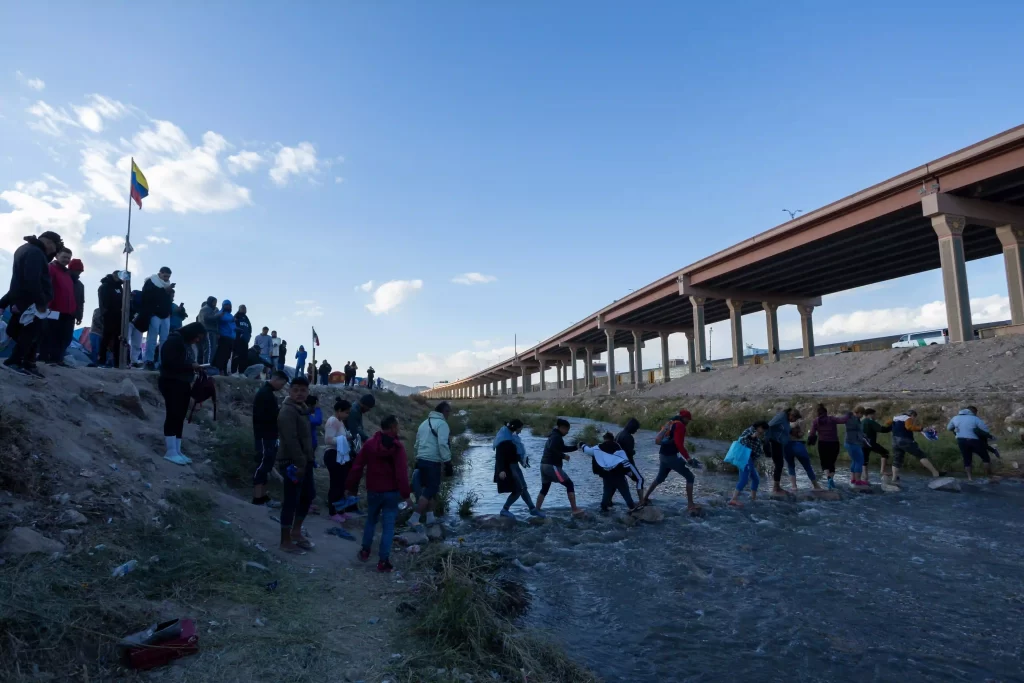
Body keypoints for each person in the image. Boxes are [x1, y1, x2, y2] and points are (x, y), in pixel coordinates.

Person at [345, 414, 411, 573]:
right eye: (397, 426)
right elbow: (402, 474)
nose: (398, 429)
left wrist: (349, 487)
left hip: (373, 491)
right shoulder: (398, 448)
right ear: (393, 427)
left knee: (371, 521)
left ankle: (365, 551)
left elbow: (357, 467)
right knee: (388, 527)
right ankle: (383, 561)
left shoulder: (369, 444)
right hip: (391, 493)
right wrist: (406, 495)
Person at [2, 231, 61, 377]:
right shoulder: (36, 252)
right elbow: (32, 279)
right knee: (31, 332)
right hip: (31, 302)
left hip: (22, 299)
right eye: (54, 247)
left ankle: (29, 362)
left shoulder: (25, 249)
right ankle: (15, 361)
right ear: (49, 242)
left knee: (29, 332)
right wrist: (40, 301)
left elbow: (18, 278)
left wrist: (4, 302)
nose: (53, 252)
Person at [158, 322, 207, 466]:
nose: (197, 340)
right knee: (173, 415)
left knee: (180, 417)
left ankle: (177, 450)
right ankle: (170, 451)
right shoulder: (174, 341)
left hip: (184, 382)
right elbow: (169, 363)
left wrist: (195, 367)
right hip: (171, 382)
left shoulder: (186, 344)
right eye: (197, 337)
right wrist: (190, 366)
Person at [277, 376, 315, 553]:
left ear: (308, 392)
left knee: (308, 495)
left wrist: (308, 459)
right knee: (291, 501)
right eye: (296, 390)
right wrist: (300, 463)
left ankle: (296, 531)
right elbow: (290, 440)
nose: (299, 393)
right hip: (291, 462)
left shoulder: (303, 409)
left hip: (305, 461)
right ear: (289, 391)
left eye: (303, 390)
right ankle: (285, 541)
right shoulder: (287, 412)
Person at [641, 409, 701, 511]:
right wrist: (688, 458)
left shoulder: (671, 423)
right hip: (671, 457)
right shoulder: (680, 426)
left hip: (662, 455)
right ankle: (691, 505)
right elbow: (679, 444)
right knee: (690, 477)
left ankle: (645, 498)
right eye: (688, 419)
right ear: (684, 418)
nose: (688, 421)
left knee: (660, 478)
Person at [412, 401, 453, 529]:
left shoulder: (424, 423)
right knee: (431, 489)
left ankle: (430, 518)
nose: (449, 414)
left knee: (429, 490)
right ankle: (414, 518)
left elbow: (417, 444)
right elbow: (442, 444)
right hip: (433, 461)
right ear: (443, 411)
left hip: (421, 460)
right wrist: (448, 462)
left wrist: (417, 458)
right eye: (448, 411)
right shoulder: (442, 424)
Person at [252, 371, 289, 506]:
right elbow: (266, 417)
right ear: (276, 379)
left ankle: (263, 496)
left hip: (269, 435)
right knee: (262, 465)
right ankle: (257, 498)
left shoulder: (268, 393)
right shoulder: (265, 394)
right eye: (282, 384)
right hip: (264, 436)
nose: (281, 387)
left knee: (267, 465)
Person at [494, 419, 544, 518]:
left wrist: (523, 460)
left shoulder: (511, 437)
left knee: (524, 488)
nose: (520, 431)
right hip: (508, 468)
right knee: (518, 489)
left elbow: (515, 453)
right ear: (515, 428)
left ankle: (532, 509)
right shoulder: (503, 439)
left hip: (515, 466)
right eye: (520, 429)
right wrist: (501, 470)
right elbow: (499, 456)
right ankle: (505, 509)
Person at [582, 432, 643, 512]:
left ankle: (604, 509)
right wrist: (628, 472)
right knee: (625, 493)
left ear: (604, 439)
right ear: (613, 439)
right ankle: (632, 507)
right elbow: (625, 461)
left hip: (606, 475)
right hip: (619, 475)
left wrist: (582, 445)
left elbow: (587, 450)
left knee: (606, 493)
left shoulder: (598, 448)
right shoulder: (618, 447)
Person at [536, 418, 583, 514]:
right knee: (569, 484)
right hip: (551, 466)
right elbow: (552, 448)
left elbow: (562, 448)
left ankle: (536, 510)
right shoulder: (556, 437)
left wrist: (576, 447)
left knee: (545, 488)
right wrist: (563, 456)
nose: (567, 432)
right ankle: (575, 510)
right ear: (562, 428)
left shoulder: (553, 435)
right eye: (566, 430)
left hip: (543, 465)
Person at [40, 245, 76, 366]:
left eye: (69, 258)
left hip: (67, 311)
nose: (66, 260)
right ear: (57, 256)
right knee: (51, 334)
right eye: (64, 257)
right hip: (54, 309)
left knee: (64, 336)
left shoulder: (67, 273)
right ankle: (46, 358)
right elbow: (47, 287)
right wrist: (47, 305)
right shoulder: (51, 269)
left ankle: (58, 358)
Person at [890, 409, 944, 484]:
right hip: (905, 440)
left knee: (897, 459)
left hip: (894, 441)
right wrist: (921, 429)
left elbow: (888, 424)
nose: (914, 420)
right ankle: (935, 473)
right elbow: (908, 427)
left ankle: (894, 479)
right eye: (914, 417)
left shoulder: (896, 418)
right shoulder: (908, 418)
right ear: (912, 415)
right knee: (921, 455)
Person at [324, 399, 355, 519]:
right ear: (339, 411)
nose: (347, 415)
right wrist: (343, 439)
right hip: (333, 454)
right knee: (336, 483)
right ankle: (332, 511)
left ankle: (340, 510)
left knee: (342, 483)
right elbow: (328, 439)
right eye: (346, 412)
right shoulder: (332, 421)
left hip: (340, 455)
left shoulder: (340, 422)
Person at [947, 406, 994, 481]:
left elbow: (949, 428)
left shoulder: (955, 418)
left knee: (967, 459)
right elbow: (986, 431)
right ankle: (989, 477)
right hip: (974, 440)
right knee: (985, 458)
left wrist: (957, 429)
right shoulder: (975, 418)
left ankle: (970, 478)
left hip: (961, 441)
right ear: (973, 412)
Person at [808, 404, 848, 490]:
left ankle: (828, 478)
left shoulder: (816, 421)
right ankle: (831, 479)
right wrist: (849, 414)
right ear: (826, 412)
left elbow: (812, 433)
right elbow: (843, 420)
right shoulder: (831, 419)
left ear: (818, 413)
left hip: (822, 444)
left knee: (824, 463)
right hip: (834, 443)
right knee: (832, 463)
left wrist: (810, 441)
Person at [729, 421, 769, 507]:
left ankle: (753, 498)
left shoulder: (759, 435)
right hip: (744, 457)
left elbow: (757, 449)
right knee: (744, 479)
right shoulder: (749, 431)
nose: (763, 431)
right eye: (763, 429)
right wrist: (751, 437)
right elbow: (741, 440)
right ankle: (733, 499)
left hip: (750, 459)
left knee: (756, 479)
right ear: (759, 427)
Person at [141, 267, 174, 371]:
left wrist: (169, 312)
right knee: (152, 338)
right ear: (160, 273)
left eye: (168, 277)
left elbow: (168, 300)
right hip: (154, 314)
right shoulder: (151, 281)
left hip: (166, 315)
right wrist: (163, 290)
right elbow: (147, 296)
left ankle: (162, 361)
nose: (166, 278)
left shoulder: (167, 285)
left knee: (164, 339)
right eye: (165, 276)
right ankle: (149, 361)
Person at [767, 407, 801, 493]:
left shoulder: (786, 420)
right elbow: (769, 425)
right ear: (791, 415)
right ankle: (776, 488)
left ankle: (777, 486)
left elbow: (783, 430)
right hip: (774, 442)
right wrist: (767, 440)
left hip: (779, 444)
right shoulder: (781, 416)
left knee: (779, 464)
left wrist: (794, 433)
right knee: (779, 464)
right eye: (795, 418)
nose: (794, 421)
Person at [96, 271, 124, 369]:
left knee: (118, 338)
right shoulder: (105, 286)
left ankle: (117, 362)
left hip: (119, 315)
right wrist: (105, 313)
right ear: (113, 275)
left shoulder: (120, 287)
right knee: (106, 337)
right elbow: (103, 302)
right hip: (109, 315)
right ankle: (101, 360)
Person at [784, 423, 822, 491]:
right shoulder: (801, 423)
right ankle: (816, 486)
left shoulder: (785, 423)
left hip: (787, 445)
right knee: (807, 467)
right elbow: (800, 435)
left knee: (790, 467)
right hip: (799, 445)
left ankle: (794, 487)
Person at [861, 408, 892, 479]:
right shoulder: (870, 421)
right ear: (870, 415)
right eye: (875, 415)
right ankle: (882, 471)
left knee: (865, 460)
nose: (876, 416)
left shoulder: (862, 421)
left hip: (862, 443)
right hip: (870, 443)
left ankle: (865, 476)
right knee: (885, 453)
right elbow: (882, 429)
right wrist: (892, 426)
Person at [844, 407, 869, 486]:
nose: (862, 416)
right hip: (853, 443)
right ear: (859, 413)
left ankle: (853, 479)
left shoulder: (853, 419)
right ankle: (858, 480)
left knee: (854, 461)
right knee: (859, 461)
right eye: (862, 414)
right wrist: (863, 437)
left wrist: (864, 436)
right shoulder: (853, 419)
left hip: (849, 442)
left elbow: (858, 431)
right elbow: (857, 430)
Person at [213, 300, 235, 374]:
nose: (228, 306)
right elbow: (222, 319)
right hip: (223, 336)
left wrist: (237, 330)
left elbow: (233, 326)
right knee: (221, 354)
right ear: (223, 305)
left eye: (229, 305)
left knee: (228, 355)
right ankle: (219, 369)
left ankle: (225, 370)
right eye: (226, 305)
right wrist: (232, 319)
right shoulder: (220, 313)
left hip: (231, 338)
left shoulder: (231, 315)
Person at [198, 296, 221, 365]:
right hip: (207, 331)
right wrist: (218, 316)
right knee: (209, 349)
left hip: (212, 332)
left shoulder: (212, 310)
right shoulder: (205, 309)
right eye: (214, 302)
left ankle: (208, 364)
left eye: (216, 302)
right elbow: (206, 319)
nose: (215, 304)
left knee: (212, 349)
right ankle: (206, 366)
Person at [232, 304, 252, 375]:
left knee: (244, 357)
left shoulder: (246, 318)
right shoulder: (236, 316)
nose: (244, 310)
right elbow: (233, 327)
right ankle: (233, 372)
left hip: (245, 341)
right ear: (239, 309)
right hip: (237, 340)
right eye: (243, 308)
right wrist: (239, 334)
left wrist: (249, 337)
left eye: (245, 308)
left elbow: (249, 329)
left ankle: (242, 372)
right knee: (236, 356)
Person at [69, 258, 84, 329]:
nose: (78, 273)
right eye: (77, 270)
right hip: (58, 313)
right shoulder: (62, 279)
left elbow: (81, 302)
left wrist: (79, 316)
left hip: (71, 316)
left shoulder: (80, 285)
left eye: (80, 271)